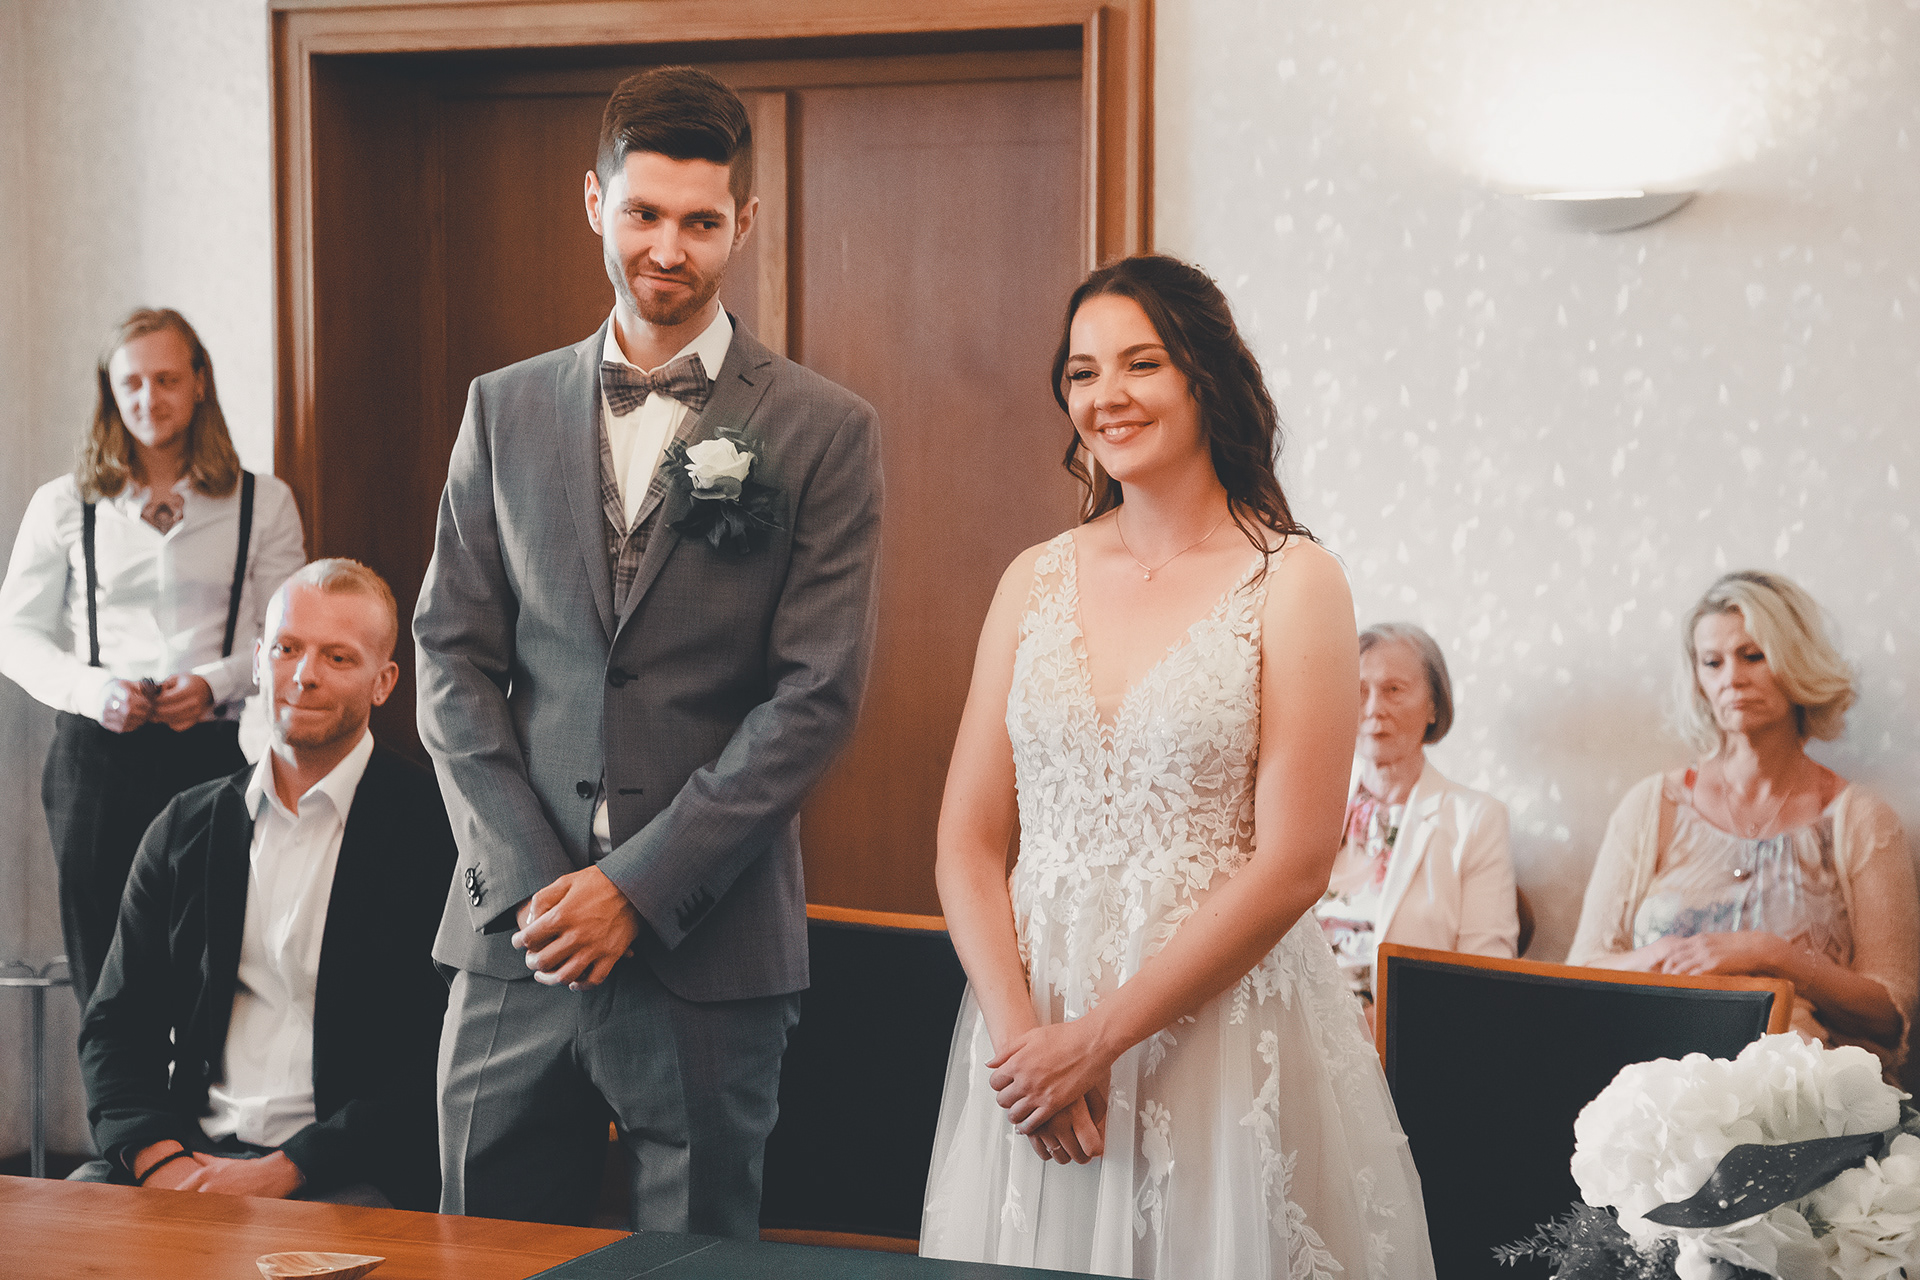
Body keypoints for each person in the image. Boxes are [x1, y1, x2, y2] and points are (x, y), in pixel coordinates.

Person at [415, 66, 882, 1234]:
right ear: (595, 202)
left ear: (744, 223)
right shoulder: (502, 408)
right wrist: (542, 886)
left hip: (708, 952)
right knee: (483, 1257)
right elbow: (450, 658)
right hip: (516, 942)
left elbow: (815, 696)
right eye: (643, 213)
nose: (667, 249)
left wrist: (635, 886)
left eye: (700, 222)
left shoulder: (824, 429)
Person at [920, 255, 1433, 1278]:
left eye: (1141, 363)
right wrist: (1028, 1047)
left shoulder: (1294, 580)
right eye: (1083, 372)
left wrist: (1098, 1040)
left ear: (1205, 375)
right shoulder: (1033, 579)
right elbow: (967, 843)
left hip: (1216, 1034)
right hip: (1030, 1027)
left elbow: (1296, 862)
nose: (1106, 394)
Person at [75, 560, 455, 1209]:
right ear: (257, 661)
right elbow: (116, 1026)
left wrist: (291, 1169)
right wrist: (160, 1160)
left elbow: (444, 1050)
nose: (304, 674)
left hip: (350, 1169)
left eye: (338, 656)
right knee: (68, 1221)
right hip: (191, 1155)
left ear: (384, 682)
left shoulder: (436, 829)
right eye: (286, 648)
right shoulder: (185, 826)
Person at [0, 307, 307, 1008]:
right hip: (96, 762)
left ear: (199, 382)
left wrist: (215, 682)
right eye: (131, 383)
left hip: (215, 753)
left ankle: (200, 1087)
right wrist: (93, 690)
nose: (148, 399)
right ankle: (117, 1089)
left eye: (166, 379)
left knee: (212, 966)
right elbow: (14, 634)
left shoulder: (262, 503)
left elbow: (288, 638)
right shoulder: (64, 504)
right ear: (110, 391)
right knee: (105, 973)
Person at [1568, 570, 1918, 1079]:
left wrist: (1775, 957)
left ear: (1796, 662)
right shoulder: (1652, 806)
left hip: (1812, 1092)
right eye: (1712, 662)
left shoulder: (1860, 818)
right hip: (1658, 1081)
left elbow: (1891, 1016)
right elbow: (1580, 972)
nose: (1731, 678)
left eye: (1752, 656)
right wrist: (1662, 955)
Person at [1315, 621, 1518, 1018]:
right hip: (1294, 1025)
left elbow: (1487, 976)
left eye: (1393, 690)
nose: (1373, 708)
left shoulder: (1477, 820)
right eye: (1359, 691)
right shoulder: (1314, 806)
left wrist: (1382, 1025)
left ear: (1433, 706)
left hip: (1397, 1034)